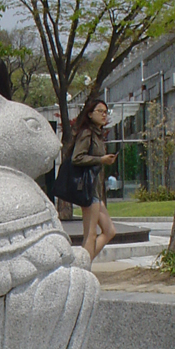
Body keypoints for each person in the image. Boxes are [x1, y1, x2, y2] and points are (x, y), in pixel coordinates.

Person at [71, 99, 117, 259]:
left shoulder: (97, 135)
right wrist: (101, 160)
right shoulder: (87, 133)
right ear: (90, 114)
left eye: (106, 112)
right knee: (90, 234)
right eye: (100, 111)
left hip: (95, 189)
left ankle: (80, 265)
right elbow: (76, 158)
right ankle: (82, 271)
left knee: (109, 231)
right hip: (88, 189)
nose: (104, 115)